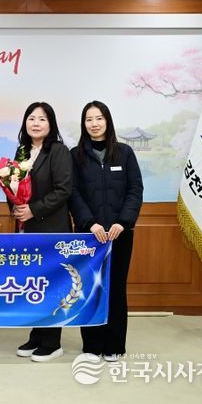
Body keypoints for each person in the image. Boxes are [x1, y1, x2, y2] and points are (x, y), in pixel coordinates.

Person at [69, 100, 143, 362]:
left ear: (108, 121)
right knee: (89, 288)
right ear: (84, 124)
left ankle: (114, 345)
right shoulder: (75, 155)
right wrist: (90, 223)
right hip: (89, 235)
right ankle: (91, 345)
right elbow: (73, 193)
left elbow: (135, 189)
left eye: (99, 118)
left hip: (119, 234)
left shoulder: (124, 152)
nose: (94, 124)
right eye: (89, 119)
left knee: (116, 288)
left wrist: (123, 222)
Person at [12, 102, 72, 363]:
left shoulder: (58, 151)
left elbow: (63, 190)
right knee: (34, 283)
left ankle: (52, 342)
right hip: (28, 229)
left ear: (51, 124)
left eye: (42, 119)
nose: (36, 123)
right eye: (31, 118)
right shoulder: (22, 151)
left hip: (51, 229)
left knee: (53, 284)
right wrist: (17, 207)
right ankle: (36, 335)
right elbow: (15, 187)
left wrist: (33, 210)